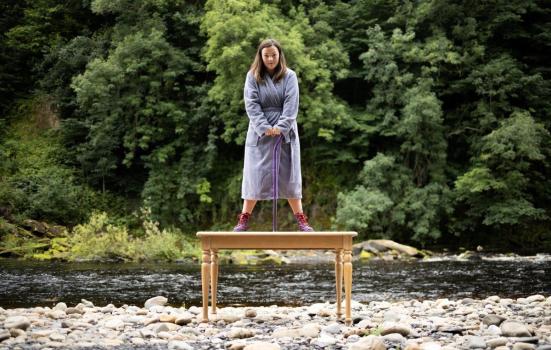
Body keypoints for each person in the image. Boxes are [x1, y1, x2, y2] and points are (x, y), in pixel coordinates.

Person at [233, 38, 314, 232]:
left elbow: (291, 103)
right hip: (259, 133)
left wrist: (281, 126)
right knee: (254, 174)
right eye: (266, 55)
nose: (270, 59)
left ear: (280, 56)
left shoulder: (290, 76)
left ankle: (301, 219)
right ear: (260, 57)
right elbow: (251, 105)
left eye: (274, 55)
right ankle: (244, 219)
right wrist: (264, 127)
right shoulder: (252, 76)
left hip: (285, 133)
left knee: (290, 174)